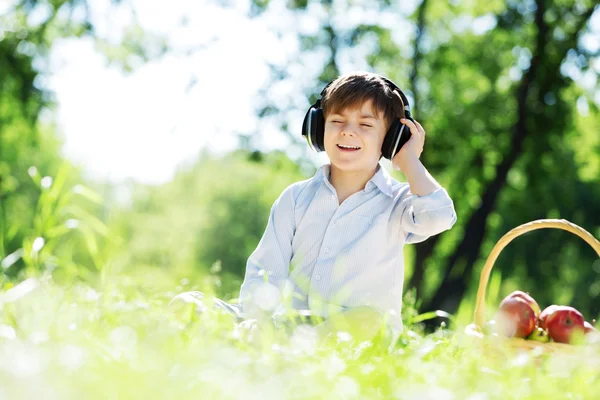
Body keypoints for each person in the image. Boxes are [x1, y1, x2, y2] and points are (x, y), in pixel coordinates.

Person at [170, 71, 456, 343]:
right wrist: (255, 319)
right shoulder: (295, 199)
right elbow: (265, 270)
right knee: (188, 303)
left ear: (391, 138)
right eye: (337, 121)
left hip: (354, 330)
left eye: (366, 125)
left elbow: (440, 217)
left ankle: (289, 349)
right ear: (319, 127)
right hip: (290, 326)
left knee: (370, 320)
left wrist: (409, 161)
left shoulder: (399, 202)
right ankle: (276, 344)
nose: (347, 132)